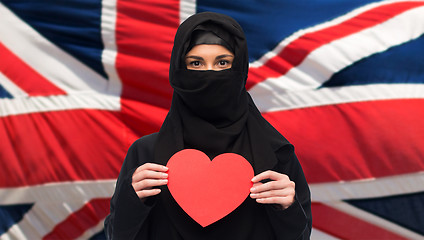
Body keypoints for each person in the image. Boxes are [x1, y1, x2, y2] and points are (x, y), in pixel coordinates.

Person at [104, 12, 312, 240]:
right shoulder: (146, 155)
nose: (210, 74)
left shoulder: (274, 155)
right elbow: (117, 236)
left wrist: (288, 209)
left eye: (223, 63)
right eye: (196, 63)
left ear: (240, 68)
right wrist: (131, 201)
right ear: (178, 70)